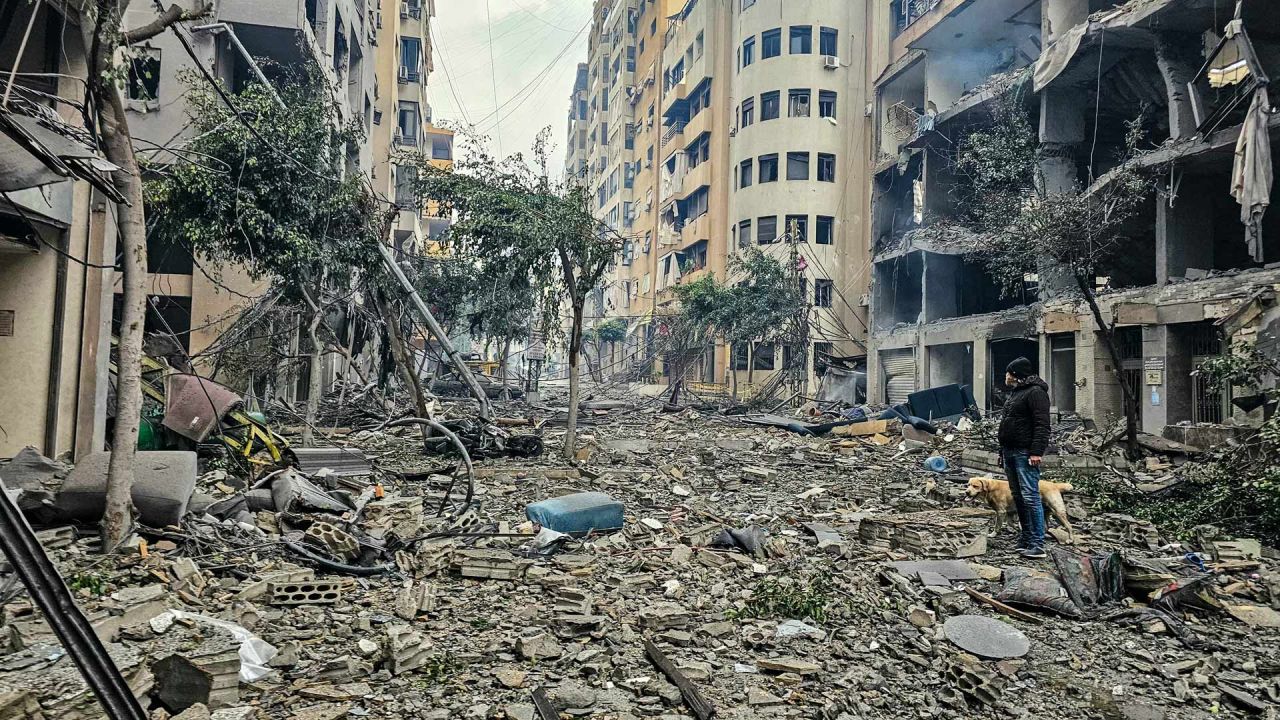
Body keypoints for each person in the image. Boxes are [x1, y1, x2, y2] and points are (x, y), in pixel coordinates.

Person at [997, 356, 1051, 558]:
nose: (1006, 376)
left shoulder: (1036, 393)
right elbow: (1007, 424)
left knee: (1030, 497)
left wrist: (1037, 451)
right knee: (1018, 497)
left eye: (1008, 373)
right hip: (1010, 451)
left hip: (1024, 453)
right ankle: (1026, 537)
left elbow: (1042, 425)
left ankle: (1037, 543)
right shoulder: (1016, 393)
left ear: (1016, 375)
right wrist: (1002, 451)